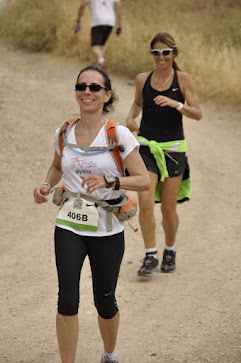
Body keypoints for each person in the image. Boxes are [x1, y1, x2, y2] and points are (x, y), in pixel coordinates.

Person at [33, 65, 150, 363]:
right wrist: (46, 185)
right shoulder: (65, 130)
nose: (87, 92)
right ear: (76, 92)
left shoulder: (118, 134)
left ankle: (109, 354)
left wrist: (110, 181)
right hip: (69, 225)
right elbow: (58, 166)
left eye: (95, 88)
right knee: (67, 298)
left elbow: (144, 180)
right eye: (82, 86)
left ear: (106, 95)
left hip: (107, 230)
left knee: (105, 302)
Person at [126, 32, 202, 277]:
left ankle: (170, 250)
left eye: (165, 53)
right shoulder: (142, 79)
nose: (161, 57)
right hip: (147, 148)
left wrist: (176, 104)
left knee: (168, 208)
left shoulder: (183, 79)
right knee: (145, 205)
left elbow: (197, 113)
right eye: (156, 53)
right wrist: (130, 118)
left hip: (173, 151)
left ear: (173, 53)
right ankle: (150, 255)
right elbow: (138, 103)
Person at [74, 0, 122, 70]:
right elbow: (119, 6)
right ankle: (101, 68)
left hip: (97, 21)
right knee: (101, 46)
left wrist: (78, 20)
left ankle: (101, 62)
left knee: (95, 46)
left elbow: (83, 5)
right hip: (110, 21)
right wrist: (120, 24)